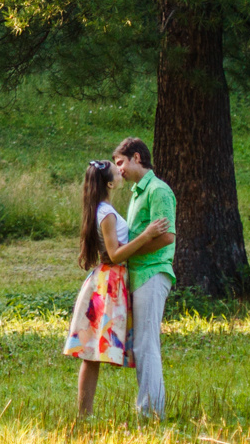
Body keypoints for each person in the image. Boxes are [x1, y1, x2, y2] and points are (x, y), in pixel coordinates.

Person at [64, 158, 173, 418]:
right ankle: (84, 414)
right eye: (116, 170)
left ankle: (84, 415)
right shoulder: (107, 213)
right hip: (109, 282)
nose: (120, 171)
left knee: (92, 351)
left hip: (106, 280)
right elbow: (114, 254)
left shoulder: (102, 209)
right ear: (110, 183)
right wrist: (147, 235)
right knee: (91, 352)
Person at [113, 137, 177, 419]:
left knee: (146, 344)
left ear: (136, 157)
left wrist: (130, 250)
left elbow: (167, 236)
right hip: (138, 275)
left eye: (121, 162)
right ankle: (149, 409)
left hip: (153, 272)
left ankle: (152, 413)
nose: (119, 170)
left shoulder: (158, 190)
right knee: (140, 345)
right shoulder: (138, 193)